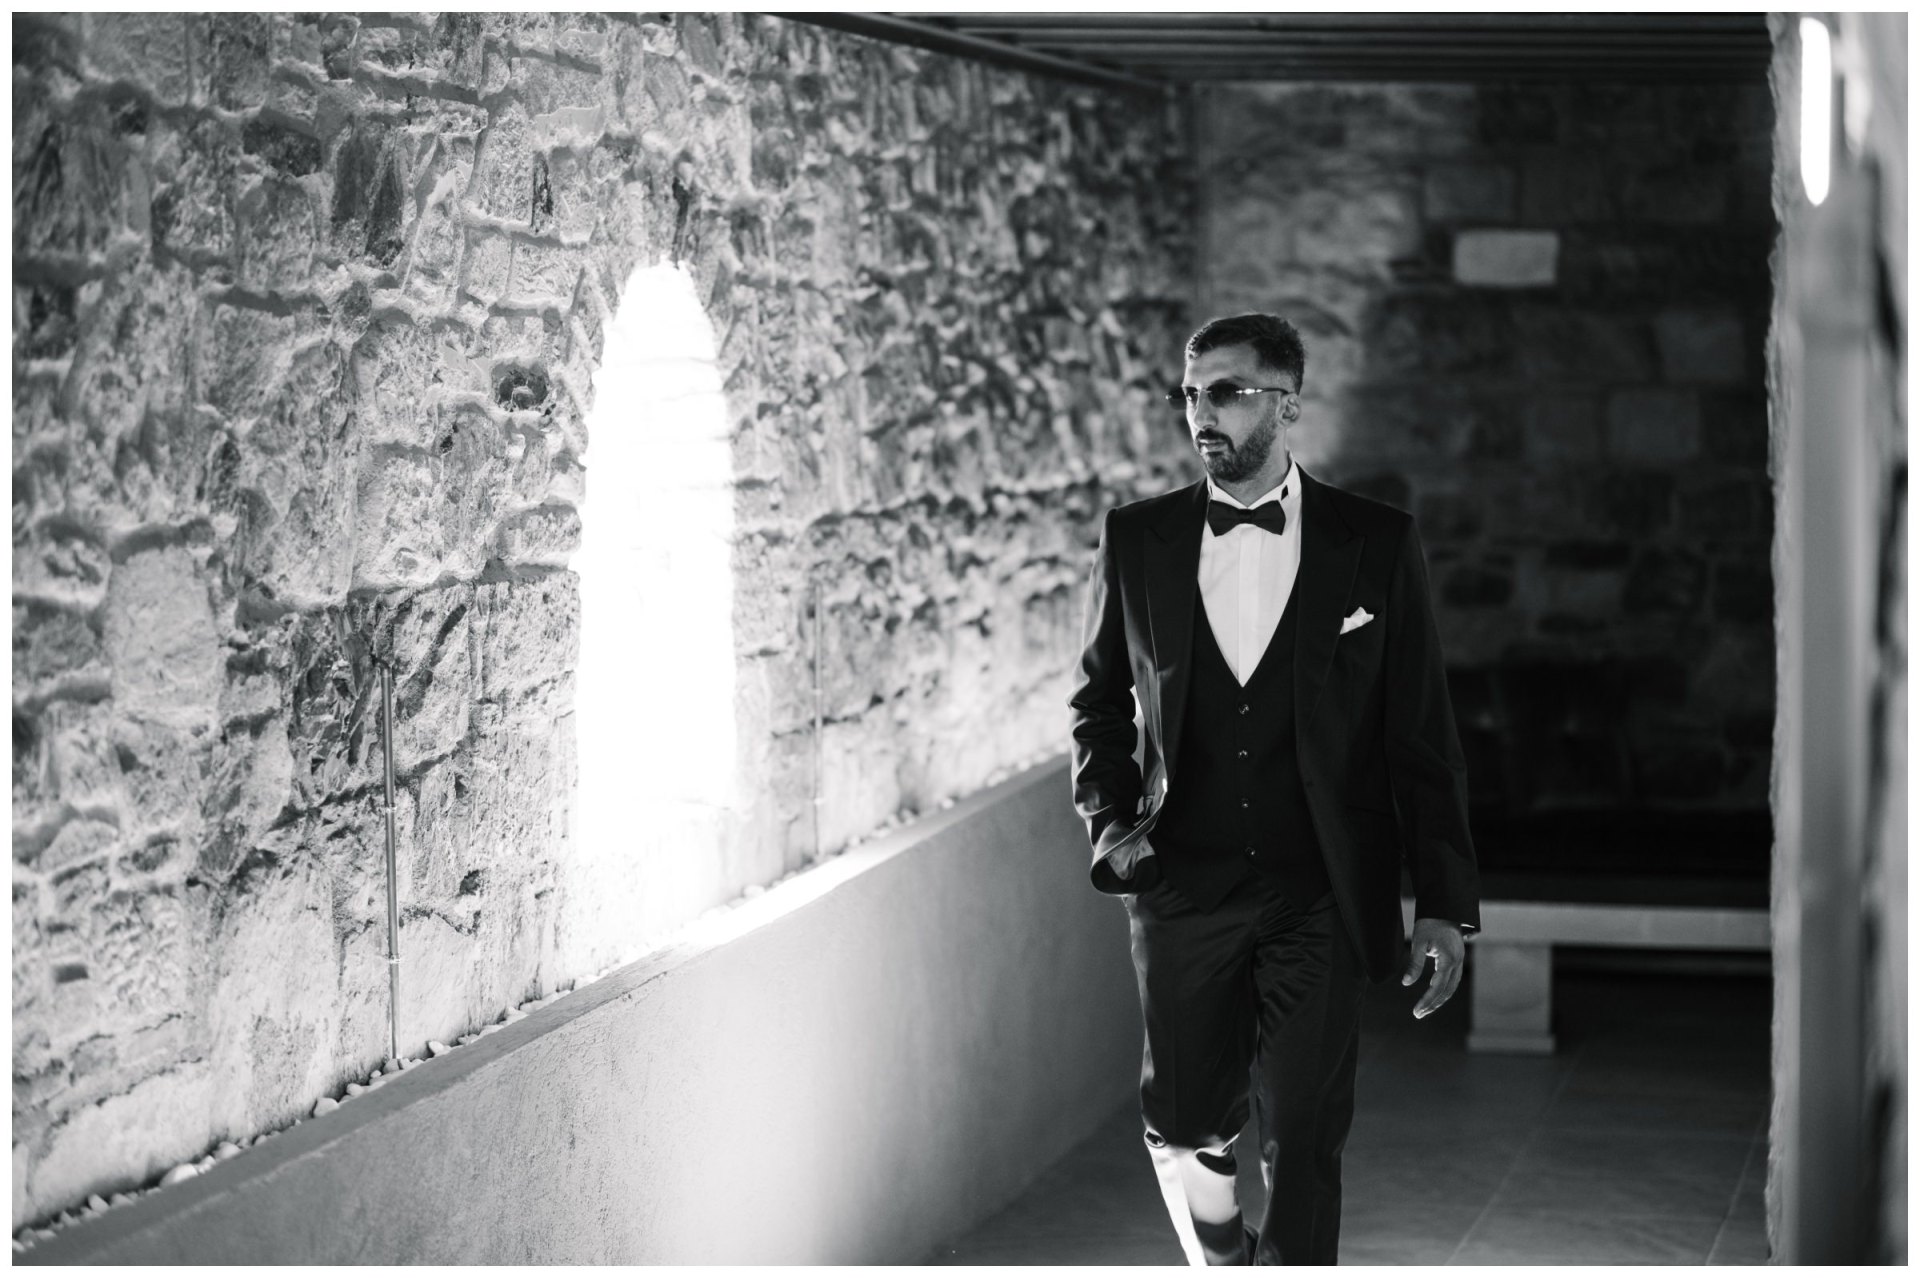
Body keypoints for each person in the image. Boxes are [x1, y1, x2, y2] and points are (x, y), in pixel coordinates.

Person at [1068, 313, 1481, 1265]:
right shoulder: (1138, 537)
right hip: (1182, 882)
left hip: (1320, 889)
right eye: (1190, 395)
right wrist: (1114, 829)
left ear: (1287, 405)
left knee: (1304, 1134)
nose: (1201, 414)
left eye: (1227, 392)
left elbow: (1421, 733)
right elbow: (1097, 702)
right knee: (1182, 1125)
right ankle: (1222, 1258)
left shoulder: (1376, 541)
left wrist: (1444, 902)